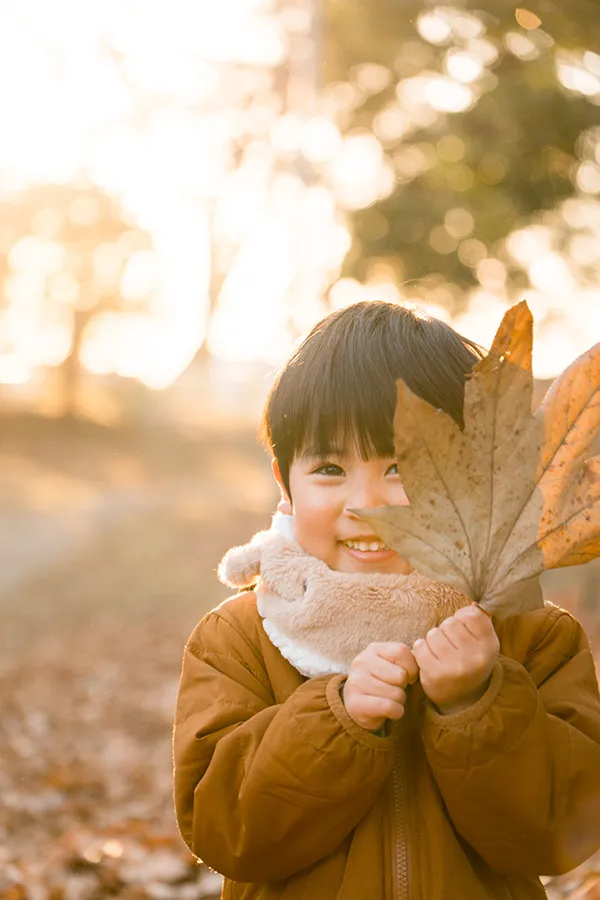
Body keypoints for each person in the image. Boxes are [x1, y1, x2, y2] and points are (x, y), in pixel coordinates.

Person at [173, 301, 600, 900]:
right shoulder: (241, 639)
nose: (365, 501)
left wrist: (478, 704)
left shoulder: (531, 636)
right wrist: (335, 719)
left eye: (402, 466)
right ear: (283, 481)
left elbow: (562, 835)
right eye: (328, 467)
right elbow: (226, 831)